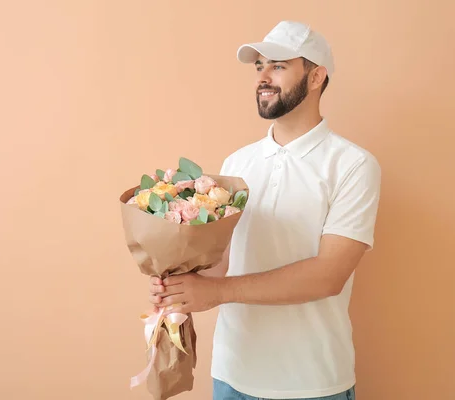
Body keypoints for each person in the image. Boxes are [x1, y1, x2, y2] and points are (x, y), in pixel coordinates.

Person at [148, 20, 382, 400]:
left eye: (278, 65)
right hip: (231, 375)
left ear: (316, 76)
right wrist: (178, 283)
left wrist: (217, 292)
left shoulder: (353, 165)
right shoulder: (236, 164)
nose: (263, 77)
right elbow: (220, 265)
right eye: (259, 67)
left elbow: (328, 276)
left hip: (311, 383)